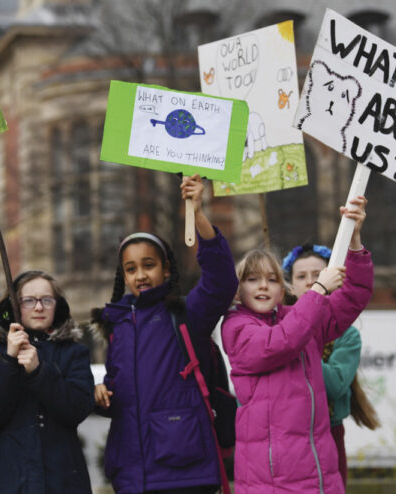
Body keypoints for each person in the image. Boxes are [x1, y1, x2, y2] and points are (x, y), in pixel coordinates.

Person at [93, 174, 238, 494]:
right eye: (131, 269)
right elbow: (122, 394)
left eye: (149, 265)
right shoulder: (117, 326)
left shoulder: (187, 313)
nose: (140, 275)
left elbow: (222, 281)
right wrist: (101, 393)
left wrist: (198, 214)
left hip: (184, 469)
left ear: (166, 269)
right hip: (132, 474)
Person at [220, 196, 373, 494]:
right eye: (252, 279)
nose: (263, 285)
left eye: (271, 279)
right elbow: (280, 343)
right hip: (273, 485)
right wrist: (319, 289)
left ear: (282, 289)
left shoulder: (300, 315)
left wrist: (354, 242)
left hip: (321, 479)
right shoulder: (236, 327)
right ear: (239, 291)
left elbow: (353, 296)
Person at [0, 270, 94, 494]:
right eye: (29, 301)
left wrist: (40, 372)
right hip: (6, 479)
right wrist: (9, 360)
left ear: (56, 306)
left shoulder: (74, 353)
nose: (38, 307)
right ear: (14, 306)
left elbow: (76, 409)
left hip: (62, 479)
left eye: (46, 300)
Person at [283, 242, 381, 488]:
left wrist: (297, 345)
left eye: (318, 275)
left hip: (329, 432)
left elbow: (336, 384)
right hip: (287, 433)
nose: (309, 282)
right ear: (290, 286)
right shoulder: (279, 326)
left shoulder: (346, 334)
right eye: (301, 276)